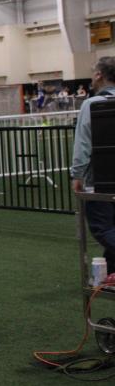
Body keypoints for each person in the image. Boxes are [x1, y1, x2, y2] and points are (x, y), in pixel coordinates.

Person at [71, 57, 115, 279]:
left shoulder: (91, 104)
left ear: (99, 75)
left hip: (99, 179)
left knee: (102, 228)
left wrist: (77, 174)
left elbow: (83, 144)